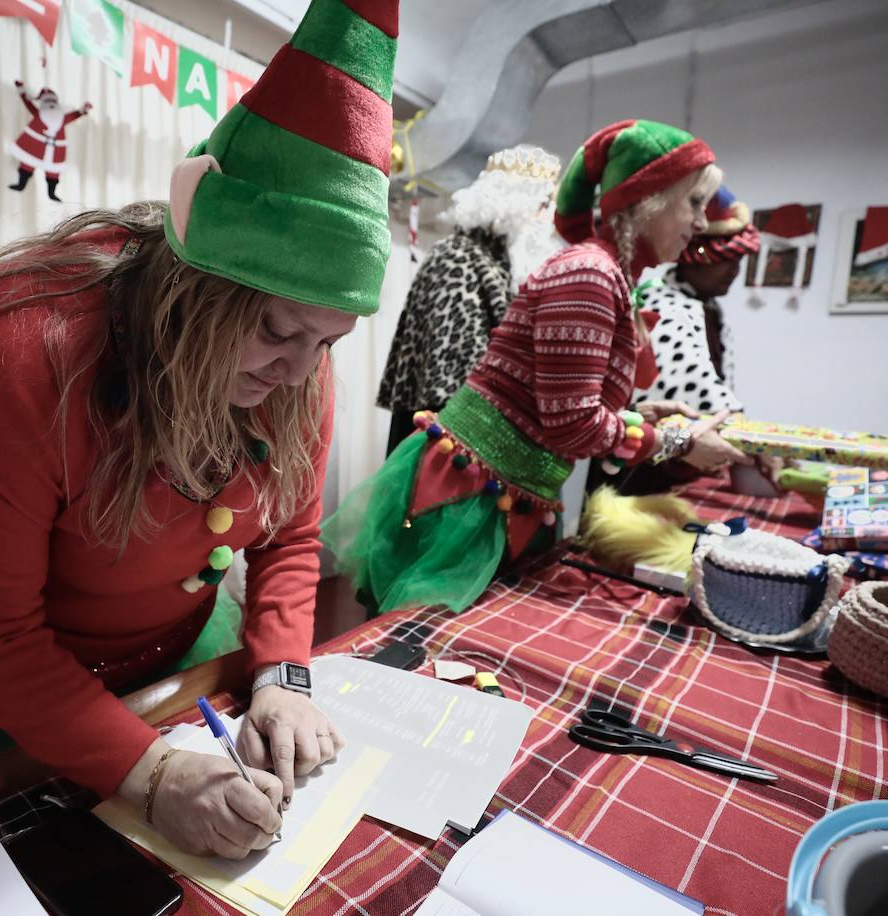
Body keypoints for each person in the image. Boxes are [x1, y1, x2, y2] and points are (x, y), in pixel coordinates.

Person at [0, 0, 401, 861]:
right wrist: (149, 774)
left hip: (180, 668)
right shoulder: (17, 356)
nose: (300, 374)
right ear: (196, 287)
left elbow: (288, 536)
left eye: (327, 344)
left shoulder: (300, 354)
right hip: (20, 681)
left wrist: (284, 675)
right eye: (277, 333)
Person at [324, 119, 749, 616]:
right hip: (471, 497)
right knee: (429, 643)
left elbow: (560, 399)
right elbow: (571, 423)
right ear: (645, 198)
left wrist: (645, 417)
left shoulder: (603, 273)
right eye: (694, 202)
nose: (701, 223)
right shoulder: (590, 272)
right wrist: (679, 443)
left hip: (500, 492)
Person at [377, 146, 561, 455]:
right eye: (542, 205)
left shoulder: (503, 264)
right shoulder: (458, 257)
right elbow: (449, 383)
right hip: (449, 444)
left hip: (482, 441)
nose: (547, 219)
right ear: (514, 203)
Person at [635, 185, 759, 415]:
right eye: (723, 260)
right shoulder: (663, 309)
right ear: (692, 257)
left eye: (737, 262)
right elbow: (695, 394)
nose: (733, 271)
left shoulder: (710, 309)